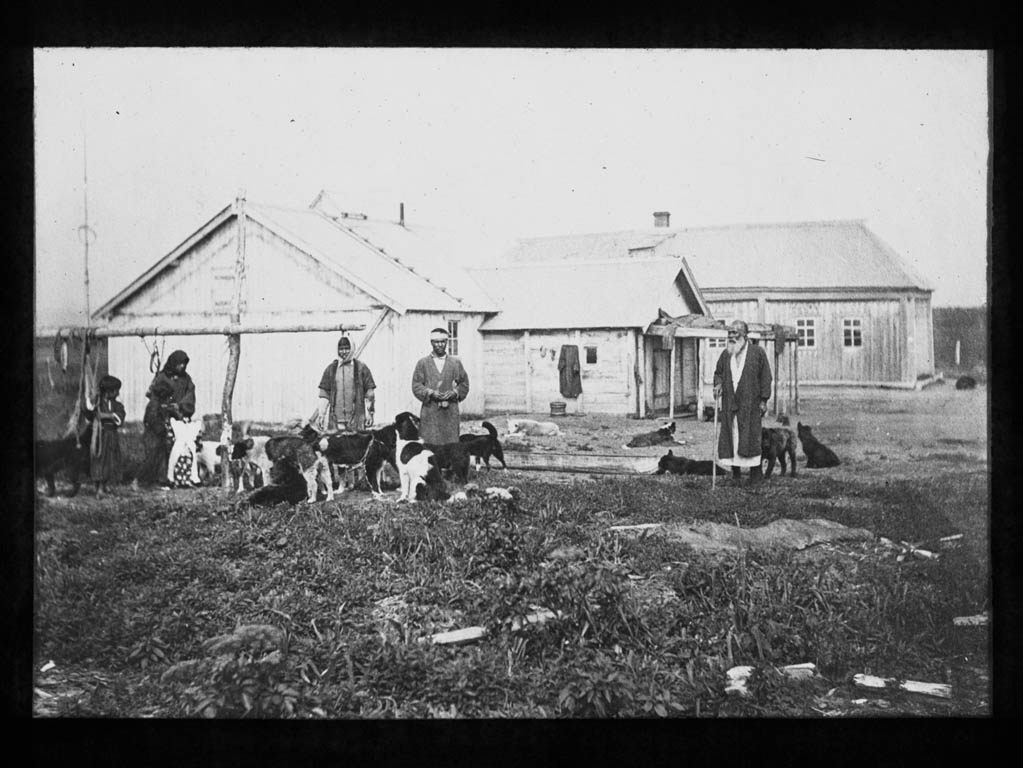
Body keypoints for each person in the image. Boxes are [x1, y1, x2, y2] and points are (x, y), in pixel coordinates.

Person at [712, 320, 773, 484]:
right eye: (729, 332)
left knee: (751, 436)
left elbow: (766, 377)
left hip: (750, 403)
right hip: (730, 403)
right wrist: (718, 384)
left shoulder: (757, 353)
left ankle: (755, 474)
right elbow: (718, 373)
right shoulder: (726, 354)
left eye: (735, 332)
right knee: (732, 436)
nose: (731, 336)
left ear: (745, 335)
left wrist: (763, 400)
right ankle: (736, 473)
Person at [139, 350, 197, 486]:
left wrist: (180, 406)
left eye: (184, 364)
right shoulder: (162, 376)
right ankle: (158, 478)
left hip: (178, 418)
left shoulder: (187, 379)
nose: (182, 366)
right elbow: (153, 395)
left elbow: (190, 396)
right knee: (159, 450)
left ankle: (177, 477)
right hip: (160, 418)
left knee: (178, 448)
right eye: (179, 364)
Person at [411, 327, 470, 444]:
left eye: (443, 342)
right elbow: (416, 385)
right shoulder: (423, 363)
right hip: (430, 411)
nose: (440, 345)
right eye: (436, 342)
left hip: (450, 411)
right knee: (430, 444)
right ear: (431, 343)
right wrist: (430, 393)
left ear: (447, 342)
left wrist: (455, 393)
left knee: (450, 445)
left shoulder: (455, 363)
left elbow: (464, 384)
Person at [314, 335, 377, 432]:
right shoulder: (331, 369)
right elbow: (324, 394)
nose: (344, 352)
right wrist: (321, 415)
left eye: (347, 349)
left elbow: (370, 393)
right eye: (341, 349)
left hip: (356, 420)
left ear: (352, 349)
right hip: (336, 421)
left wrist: (370, 413)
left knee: (356, 441)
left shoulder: (361, 368)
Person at [85, 375, 126, 496]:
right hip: (100, 436)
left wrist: (107, 416)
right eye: (116, 390)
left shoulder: (117, 405)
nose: (118, 393)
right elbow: (90, 412)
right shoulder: (97, 403)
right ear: (109, 391)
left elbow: (119, 417)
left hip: (111, 436)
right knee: (99, 460)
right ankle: (98, 488)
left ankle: (104, 485)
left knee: (110, 460)